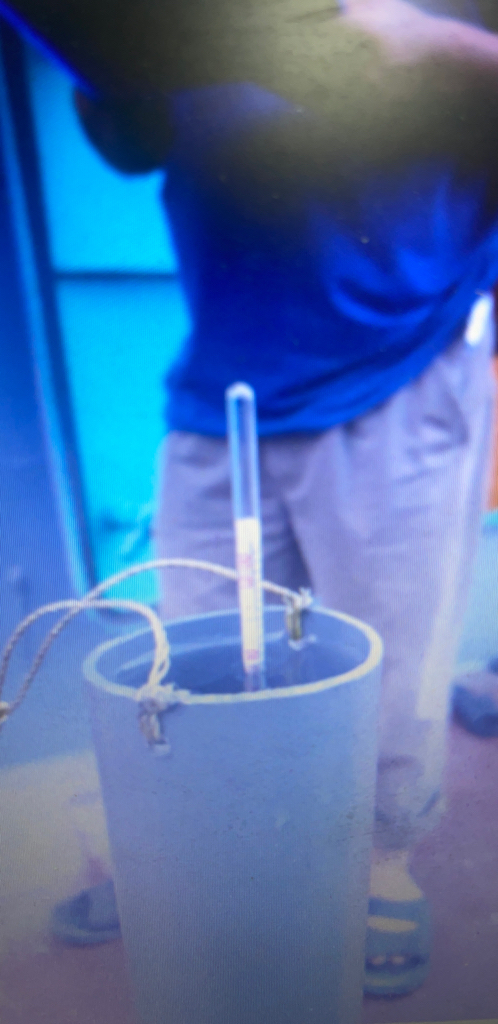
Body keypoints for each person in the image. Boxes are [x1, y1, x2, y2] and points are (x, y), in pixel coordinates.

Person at [52, 0, 498, 998]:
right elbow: (132, 144)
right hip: (225, 367)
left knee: (391, 653)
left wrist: (408, 44)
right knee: (194, 653)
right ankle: (200, 849)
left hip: (396, 354)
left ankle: (380, 866)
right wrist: (100, 62)